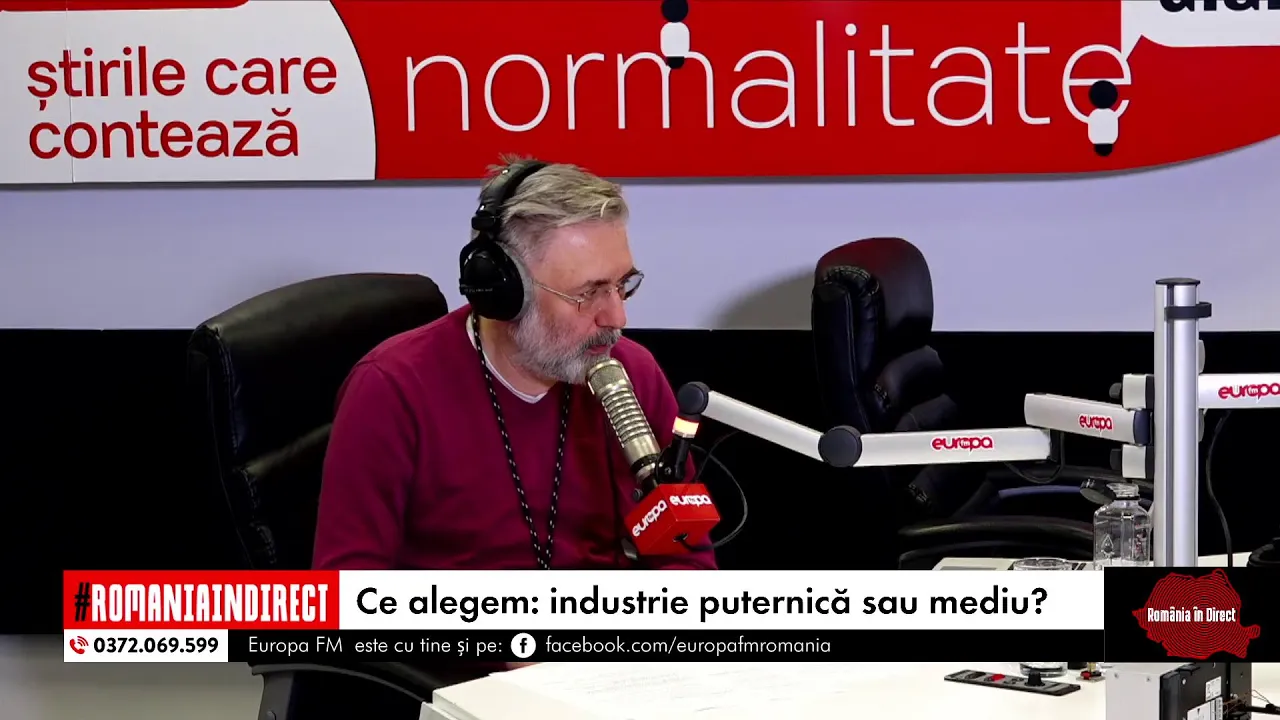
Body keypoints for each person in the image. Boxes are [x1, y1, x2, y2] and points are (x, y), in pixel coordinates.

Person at [313, 156, 718, 581]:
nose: (617, 317)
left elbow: (685, 557)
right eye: (589, 293)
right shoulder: (391, 390)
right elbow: (345, 589)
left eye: (622, 285)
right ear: (505, 292)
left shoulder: (631, 374)